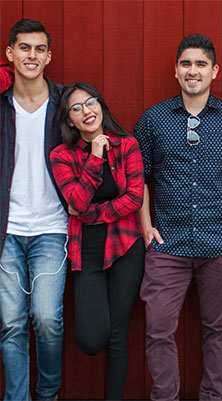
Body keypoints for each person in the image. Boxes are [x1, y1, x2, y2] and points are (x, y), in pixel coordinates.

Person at [134, 34, 222, 401]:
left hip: (221, 242)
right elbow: (139, 178)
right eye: (186, 64)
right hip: (167, 243)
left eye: (201, 64)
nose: (193, 71)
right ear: (176, 70)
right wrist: (146, 226)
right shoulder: (153, 120)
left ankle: (212, 397)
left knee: (218, 328)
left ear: (214, 71)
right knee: (158, 330)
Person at [49, 82, 145, 400]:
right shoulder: (61, 155)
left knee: (118, 334)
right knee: (91, 340)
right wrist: (95, 157)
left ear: (101, 105)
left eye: (91, 103)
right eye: (77, 108)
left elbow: (134, 197)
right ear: (70, 121)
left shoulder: (127, 144)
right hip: (86, 252)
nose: (87, 111)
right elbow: (75, 202)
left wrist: (92, 213)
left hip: (124, 246)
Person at [0, 19, 68, 401]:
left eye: (39, 49)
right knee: (11, 324)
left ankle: (47, 393)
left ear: (48, 57)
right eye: (24, 48)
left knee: (47, 320)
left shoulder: (64, 104)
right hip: (6, 229)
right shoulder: (1, 104)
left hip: (50, 227)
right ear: (10, 54)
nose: (32, 55)